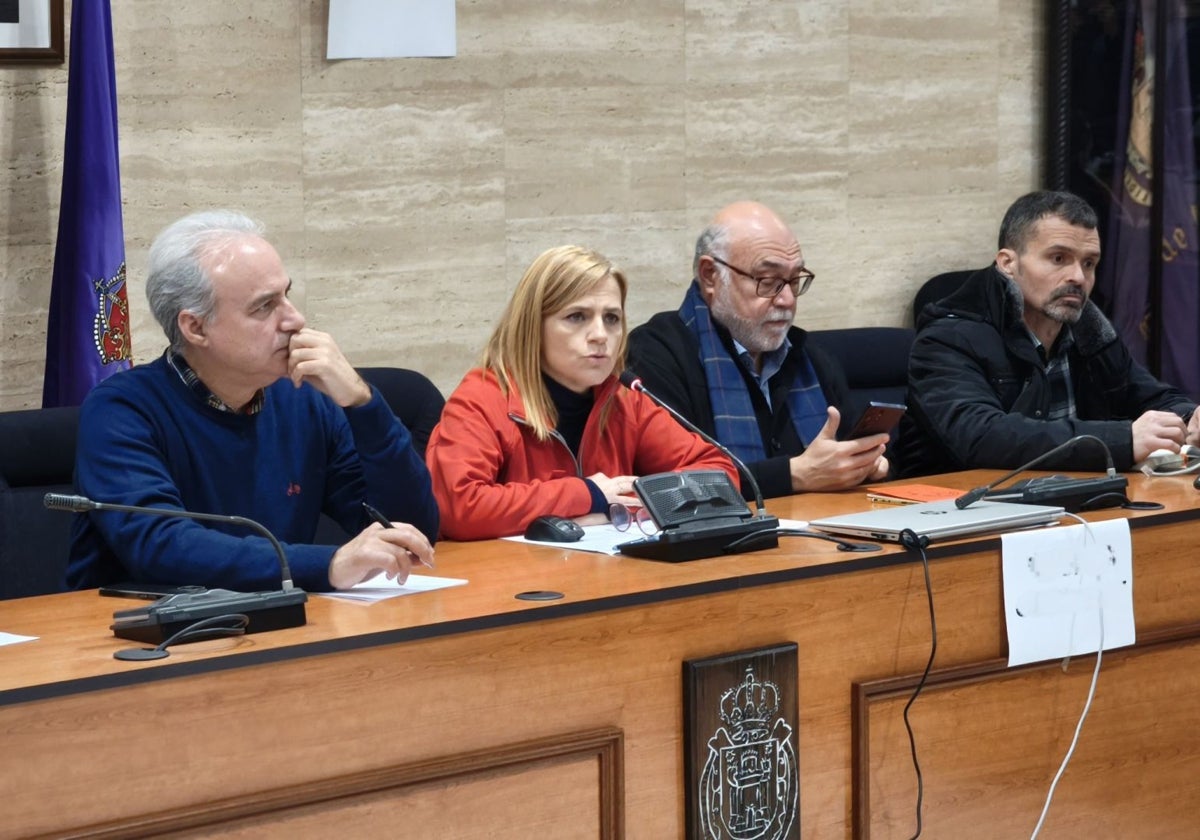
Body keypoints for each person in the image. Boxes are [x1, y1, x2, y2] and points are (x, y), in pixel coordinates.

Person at [66, 210, 439, 592]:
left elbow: (409, 533)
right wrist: (327, 564)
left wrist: (363, 404)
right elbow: (163, 546)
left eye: (287, 295)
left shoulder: (304, 398)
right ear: (195, 327)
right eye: (264, 306)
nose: (295, 319)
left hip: (277, 625)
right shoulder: (122, 411)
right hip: (138, 635)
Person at [424, 245, 738, 541]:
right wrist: (587, 495)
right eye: (577, 317)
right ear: (533, 326)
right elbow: (458, 507)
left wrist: (628, 504)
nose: (601, 335)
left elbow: (722, 476)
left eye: (612, 318)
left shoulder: (625, 398)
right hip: (513, 586)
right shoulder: (484, 397)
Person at [896, 190, 1200, 477]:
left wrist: (1190, 418)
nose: (1078, 277)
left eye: (1089, 263)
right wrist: (1123, 440)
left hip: (1064, 504)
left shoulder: (1089, 331)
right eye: (1058, 259)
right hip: (952, 513)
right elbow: (980, 437)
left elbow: (1150, 396)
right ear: (1007, 263)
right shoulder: (948, 337)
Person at [626, 201, 889, 499]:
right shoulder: (657, 353)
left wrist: (866, 463)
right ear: (711, 275)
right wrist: (794, 475)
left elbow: (844, 455)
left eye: (793, 280)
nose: (787, 299)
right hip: (721, 542)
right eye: (769, 281)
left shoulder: (808, 356)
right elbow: (670, 485)